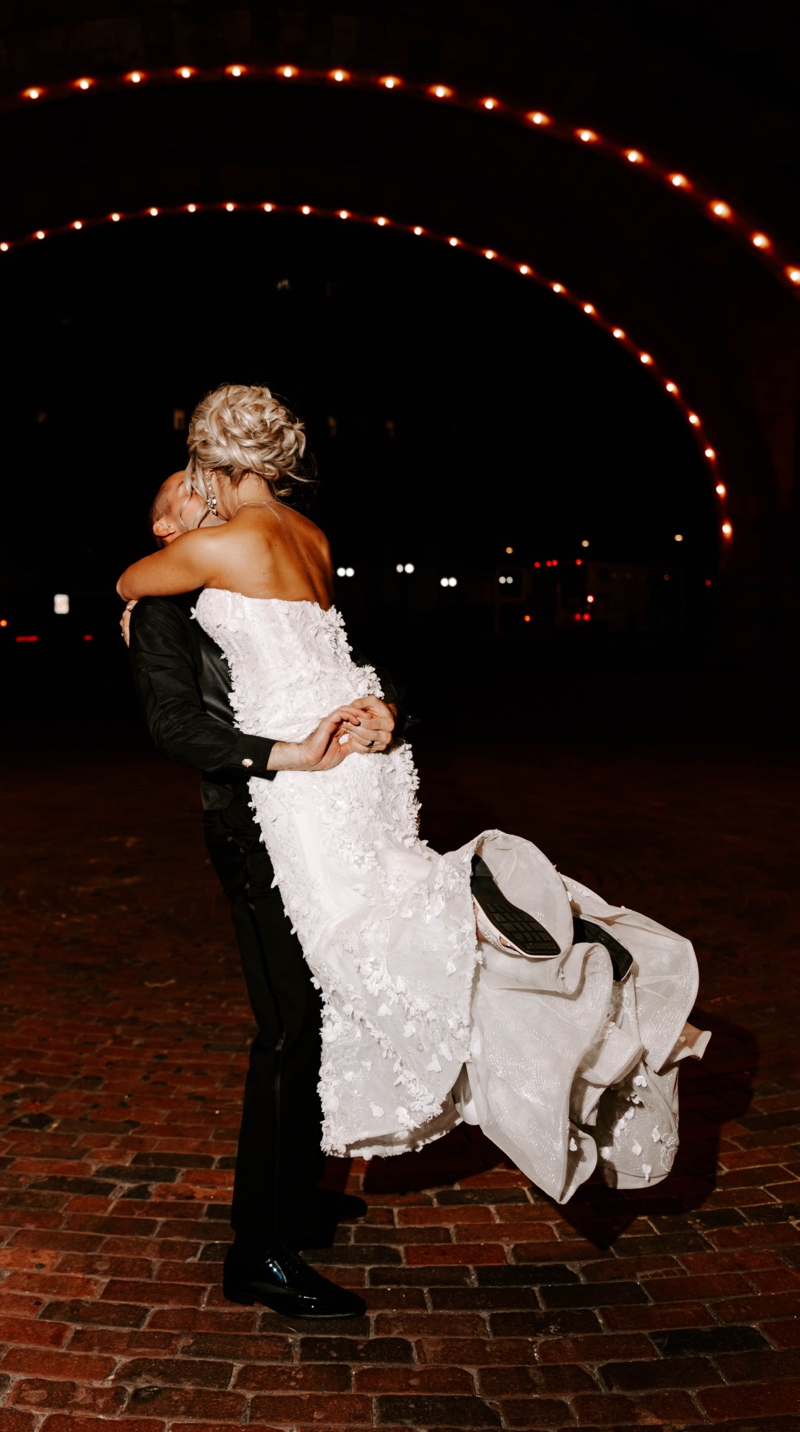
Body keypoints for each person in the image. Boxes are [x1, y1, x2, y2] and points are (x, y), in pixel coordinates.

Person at [114, 384, 708, 1321]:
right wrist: (369, 722)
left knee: (312, 1011)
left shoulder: (209, 551)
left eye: (180, 498)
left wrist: (356, 721)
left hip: (309, 798)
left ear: (208, 470)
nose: (171, 521)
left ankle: (274, 1227)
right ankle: (269, 1232)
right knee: (313, 1009)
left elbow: (149, 587)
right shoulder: (304, 541)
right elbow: (211, 703)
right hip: (321, 794)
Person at [123, 469, 399, 1318]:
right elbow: (177, 727)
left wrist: (386, 715)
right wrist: (287, 755)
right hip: (251, 826)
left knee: (320, 1008)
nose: (205, 490)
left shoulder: (244, 578)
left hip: (311, 823)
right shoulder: (164, 606)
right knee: (287, 1026)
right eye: (183, 492)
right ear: (170, 527)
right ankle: (260, 1252)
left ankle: (295, 1198)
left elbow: (323, 674)